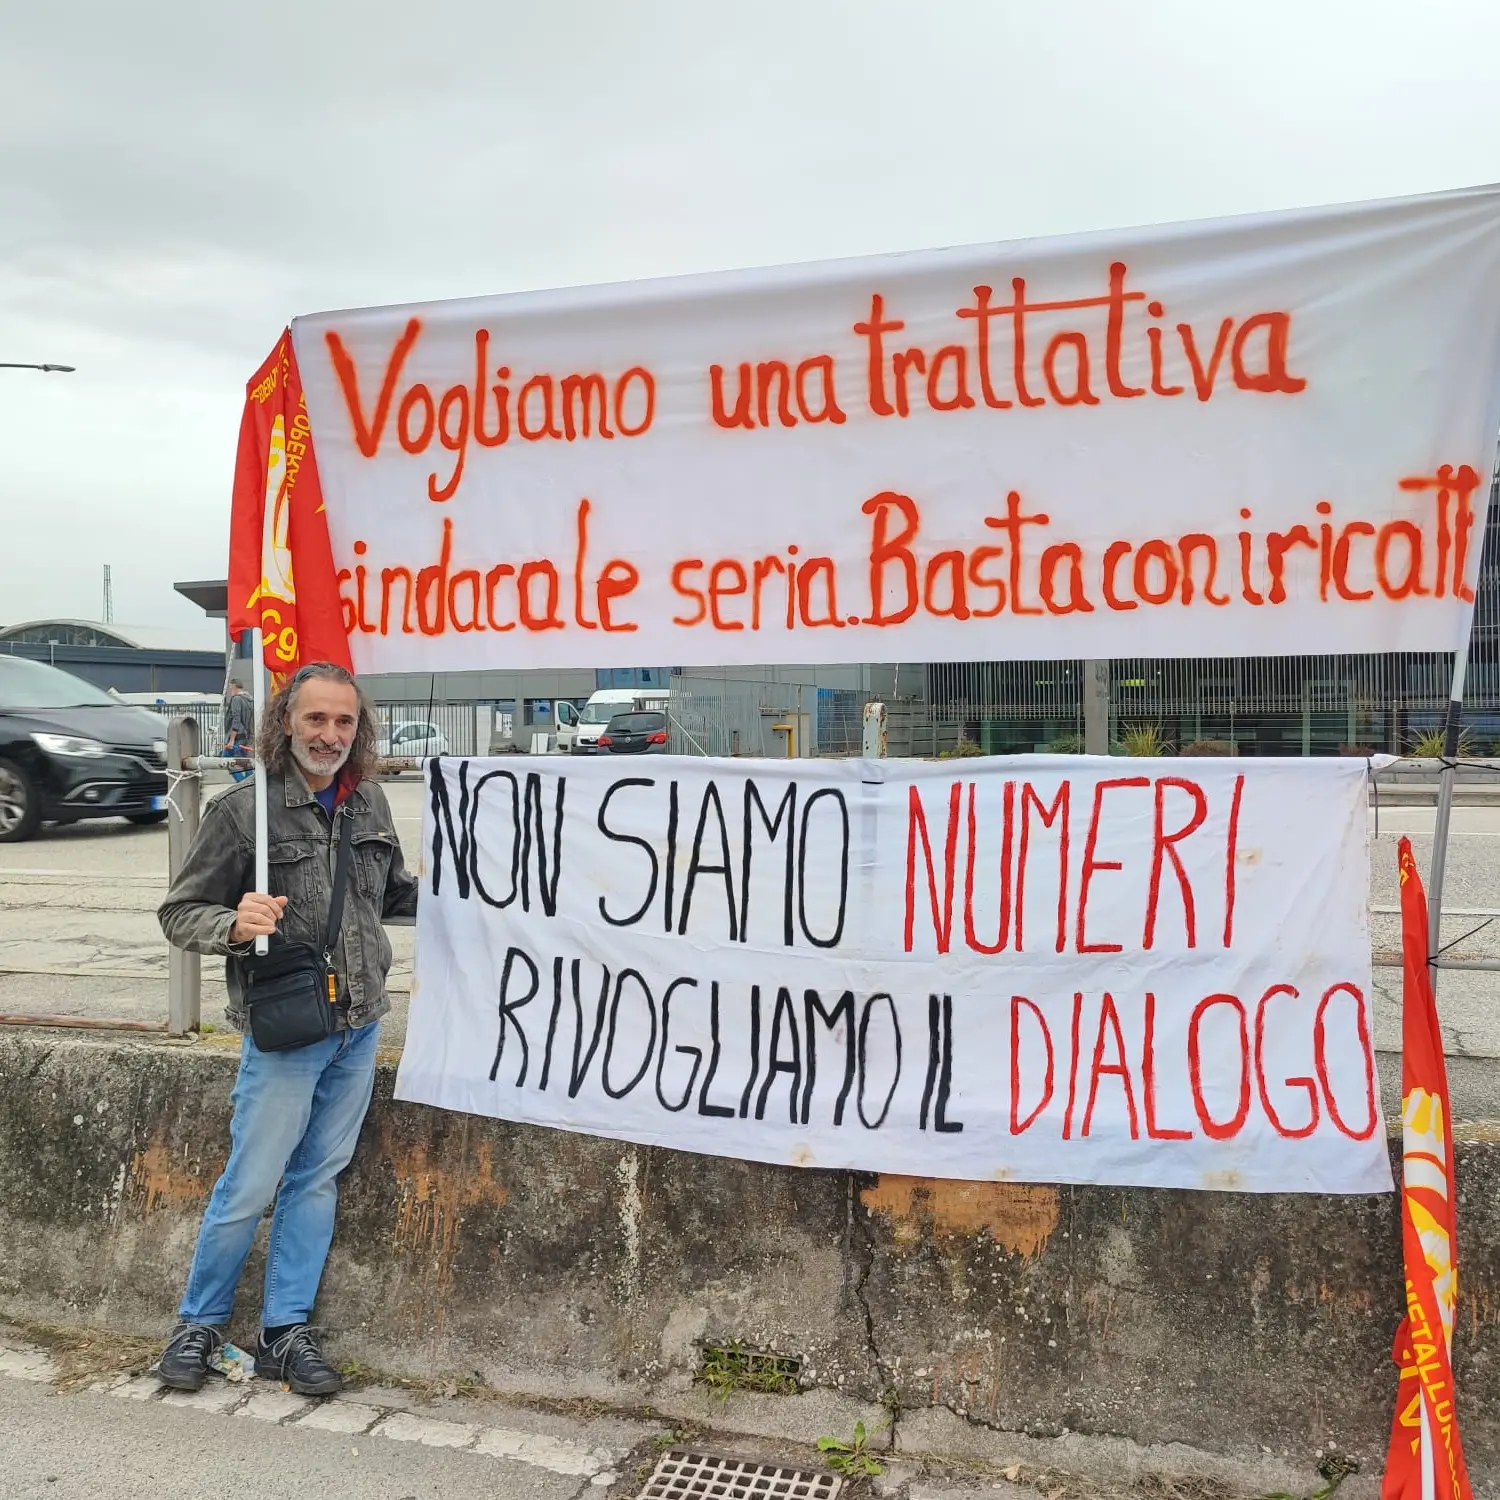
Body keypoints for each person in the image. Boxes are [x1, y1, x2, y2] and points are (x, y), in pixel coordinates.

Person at [156, 662, 418, 1396]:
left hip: (358, 1026)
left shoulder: (368, 801)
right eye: (315, 720)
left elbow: (392, 893)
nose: (330, 735)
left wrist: (474, 890)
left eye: (343, 722)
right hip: (286, 1030)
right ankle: (198, 1324)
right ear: (286, 724)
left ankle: (285, 1331)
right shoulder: (245, 812)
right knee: (251, 1182)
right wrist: (234, 923)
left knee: (317, 1180)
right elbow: (180, 914)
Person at [222, 678, 255, 782]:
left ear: (233, 687)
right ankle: (250, 783)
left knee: (227, 760)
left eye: (230, 687)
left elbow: (236, 719)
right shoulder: (250, 699)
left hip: (237, 737)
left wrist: (231, 740)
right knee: (245, 762)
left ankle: (242, 783)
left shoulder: (236, 699)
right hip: (247, 736)